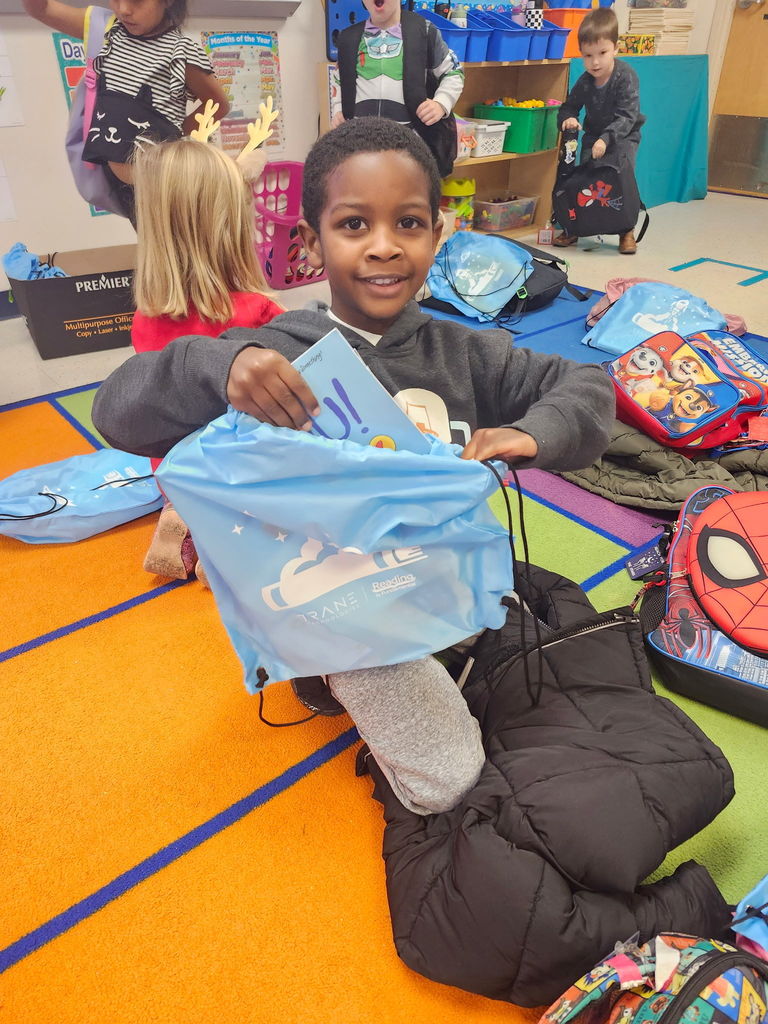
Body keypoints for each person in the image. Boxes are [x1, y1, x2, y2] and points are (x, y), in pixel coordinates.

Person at [92, 117, 615, 816]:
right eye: (353, 225)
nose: (383, 248)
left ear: (437, 233)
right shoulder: (280, 349)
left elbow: (586, 387)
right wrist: (223, 366)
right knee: (458, 789)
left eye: (407, 223)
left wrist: (530, 434)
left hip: (445, 588)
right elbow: (117, 409)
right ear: (311, 243)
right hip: (350, 618)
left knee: (588, 709)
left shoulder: (466, 351)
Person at [131, 136, 284, 581]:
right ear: (233, 227)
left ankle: (188, 521)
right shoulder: (258, 310)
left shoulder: (146, 317)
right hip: (243, 471)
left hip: (176, 471)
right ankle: (228, 544)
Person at [22, 0, 230, 222]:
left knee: (176, 248)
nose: (123, 9)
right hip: (117, 184)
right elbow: (41, 9)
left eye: (136, 0)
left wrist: (175, 139)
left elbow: (218, 104)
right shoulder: (105, 30)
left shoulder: (181, 53)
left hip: (160, 187)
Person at [329, 0, 464, 175]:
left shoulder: (424, 31)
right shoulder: (348, 39)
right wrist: (338, 108)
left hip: (411, 149)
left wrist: (441, 103)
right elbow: (338, 79)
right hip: (361, 149)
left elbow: (453, 72)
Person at [553, 7, 645, 255]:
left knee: (619, 182)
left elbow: (628, 115)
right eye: (587, 55)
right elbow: (568, 107)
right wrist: (569, 119)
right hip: (593, 136)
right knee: (584, 181)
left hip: (622, 137)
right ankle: (575, 228)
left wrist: (607, 139)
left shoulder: (625, 76)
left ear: (615, 47)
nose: (595, 62)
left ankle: (626, 231)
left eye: (602, 53)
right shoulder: (585, 81)